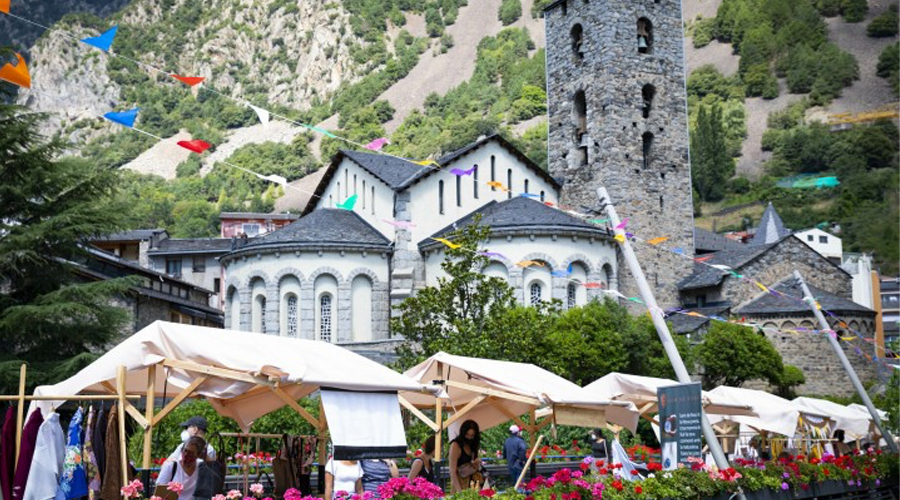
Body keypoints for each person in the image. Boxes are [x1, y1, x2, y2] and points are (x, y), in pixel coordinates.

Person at [157, 436, 207, 500]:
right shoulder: (171, 466)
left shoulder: (201, 467)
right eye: (185, 450)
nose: (186, 455)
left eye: (191, 453)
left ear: (199, 455)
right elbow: (158, 494)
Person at [449, 420, 484, 493]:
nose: (469, 438)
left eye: (472, 436)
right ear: (463, 432)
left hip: (473, 486)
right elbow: (452, 471)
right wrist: (459, 492)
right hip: (460, 485)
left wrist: (476, 463)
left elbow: (474, 467)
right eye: (467, 434)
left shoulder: (472, 445)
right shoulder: (455, 445)